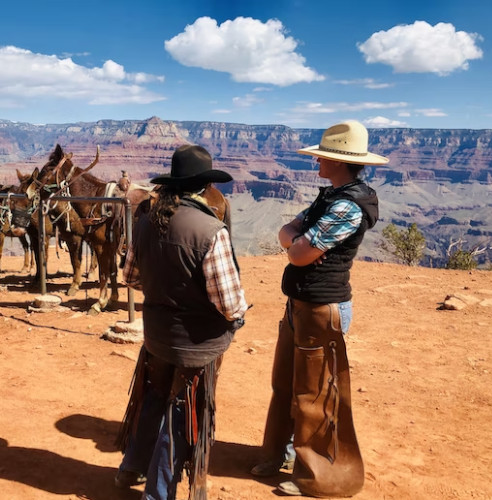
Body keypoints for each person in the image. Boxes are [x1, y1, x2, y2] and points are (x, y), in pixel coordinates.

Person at [250, 120, 386, 497]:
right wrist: (295, 240)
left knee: (314, 394)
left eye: (322, 157)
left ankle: (316, 473)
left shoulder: (347, 206)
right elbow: (288, 232)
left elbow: (298, 251)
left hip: (323, 308)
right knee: (285, 385)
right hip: (300, 305)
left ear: (339, 162)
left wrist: (295, 242)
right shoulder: (330, 197)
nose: (316, 163)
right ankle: (279, 453)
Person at [114, 144, 248, 500]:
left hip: (156, 336)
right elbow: (230, 303)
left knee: (154, 394)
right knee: (180, 415)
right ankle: (158, 495)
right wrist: (237, 320)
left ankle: (131, 466)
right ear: (206, 187)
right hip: (196, 346)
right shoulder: (210, 230)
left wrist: (161, 290)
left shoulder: (145, 221)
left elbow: (130, 277)